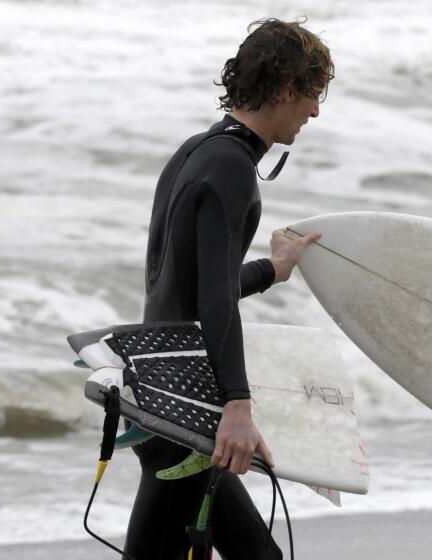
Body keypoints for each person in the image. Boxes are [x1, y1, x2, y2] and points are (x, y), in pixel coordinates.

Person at [124, 17, 334, 560]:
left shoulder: (197, 151)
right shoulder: (232, 170)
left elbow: (187, 288)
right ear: (286, 87)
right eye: (312, 95)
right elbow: (213, 303)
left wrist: (271, 269)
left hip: (162, 390)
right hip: (187, 411)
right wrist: (237, 406)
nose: (314, 111)